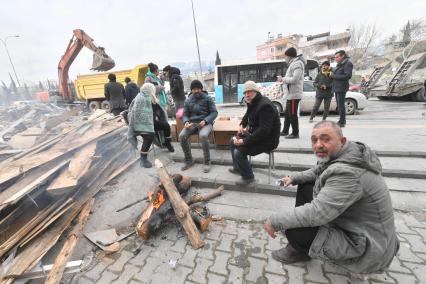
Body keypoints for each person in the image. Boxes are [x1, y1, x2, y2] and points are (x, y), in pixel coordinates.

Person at [263, 121, 399, 277]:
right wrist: (293, 178)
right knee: (306, 184)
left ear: (342, 141)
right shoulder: (346, 153)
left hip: (368, 246)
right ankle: (302, 247)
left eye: (326, 139)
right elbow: (318, 170)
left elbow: (316, 213)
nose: (318, 145)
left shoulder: (348, 173)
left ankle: (302, 249)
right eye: (314, 140)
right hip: (359, 228)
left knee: (295, 230)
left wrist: (274, 221)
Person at [230, 81, 281, 186]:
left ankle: (248, 177)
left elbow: (264, 131)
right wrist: (242, 125)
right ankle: (238, 168)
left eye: (249, 92)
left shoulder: (265, 106)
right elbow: (247, 114)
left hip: (268, 140)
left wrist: (244, 141)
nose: (246, 95)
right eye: (245, 92)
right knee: (232, 141)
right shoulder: (253, 102)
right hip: (257, 135)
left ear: (256, 91)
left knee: (238, 152)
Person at [179, 80, 218, 173]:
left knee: (203, 135)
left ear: (201, 89)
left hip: (206, 123)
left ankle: (207, 161)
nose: (196, 91)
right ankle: (189, 160)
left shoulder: (208, 98)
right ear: (191, 90)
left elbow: (214, 112)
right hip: (192, 124)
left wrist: (205, 120)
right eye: (194, 89)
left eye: (198, 89)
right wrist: (186, 122)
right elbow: (185, 114)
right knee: (182, 136)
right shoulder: (188, 100)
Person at [127, 83, 158, 168]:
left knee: (164, 126)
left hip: (147, 122)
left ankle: (165, 143)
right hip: (138, 123)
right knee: (149, 136)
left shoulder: (146, 96)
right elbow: (136, 112)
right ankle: (143, 159)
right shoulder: (141, 98)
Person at [280, 47, 305, 139]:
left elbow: (295, 79)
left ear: (290, 56)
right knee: (287, 113)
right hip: (290, 94)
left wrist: (283, 79)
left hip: (294, 95)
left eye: (285, 56)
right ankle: (285, 131)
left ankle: (295, 133)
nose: (285, 58)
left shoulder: (297, 64)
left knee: (293, 114)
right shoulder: (293, 63)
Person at [332, 50, 353, 127]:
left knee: (341, 105)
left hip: (341, 87)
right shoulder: (340, 64)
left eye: (337, 57)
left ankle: (342, 121)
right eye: (335, 57)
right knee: (339, 105)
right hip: (337, 87)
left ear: (342, 56)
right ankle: (341, 120)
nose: (336, 58)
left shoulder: (348, 63)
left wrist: (334, 76)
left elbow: (348, 76)